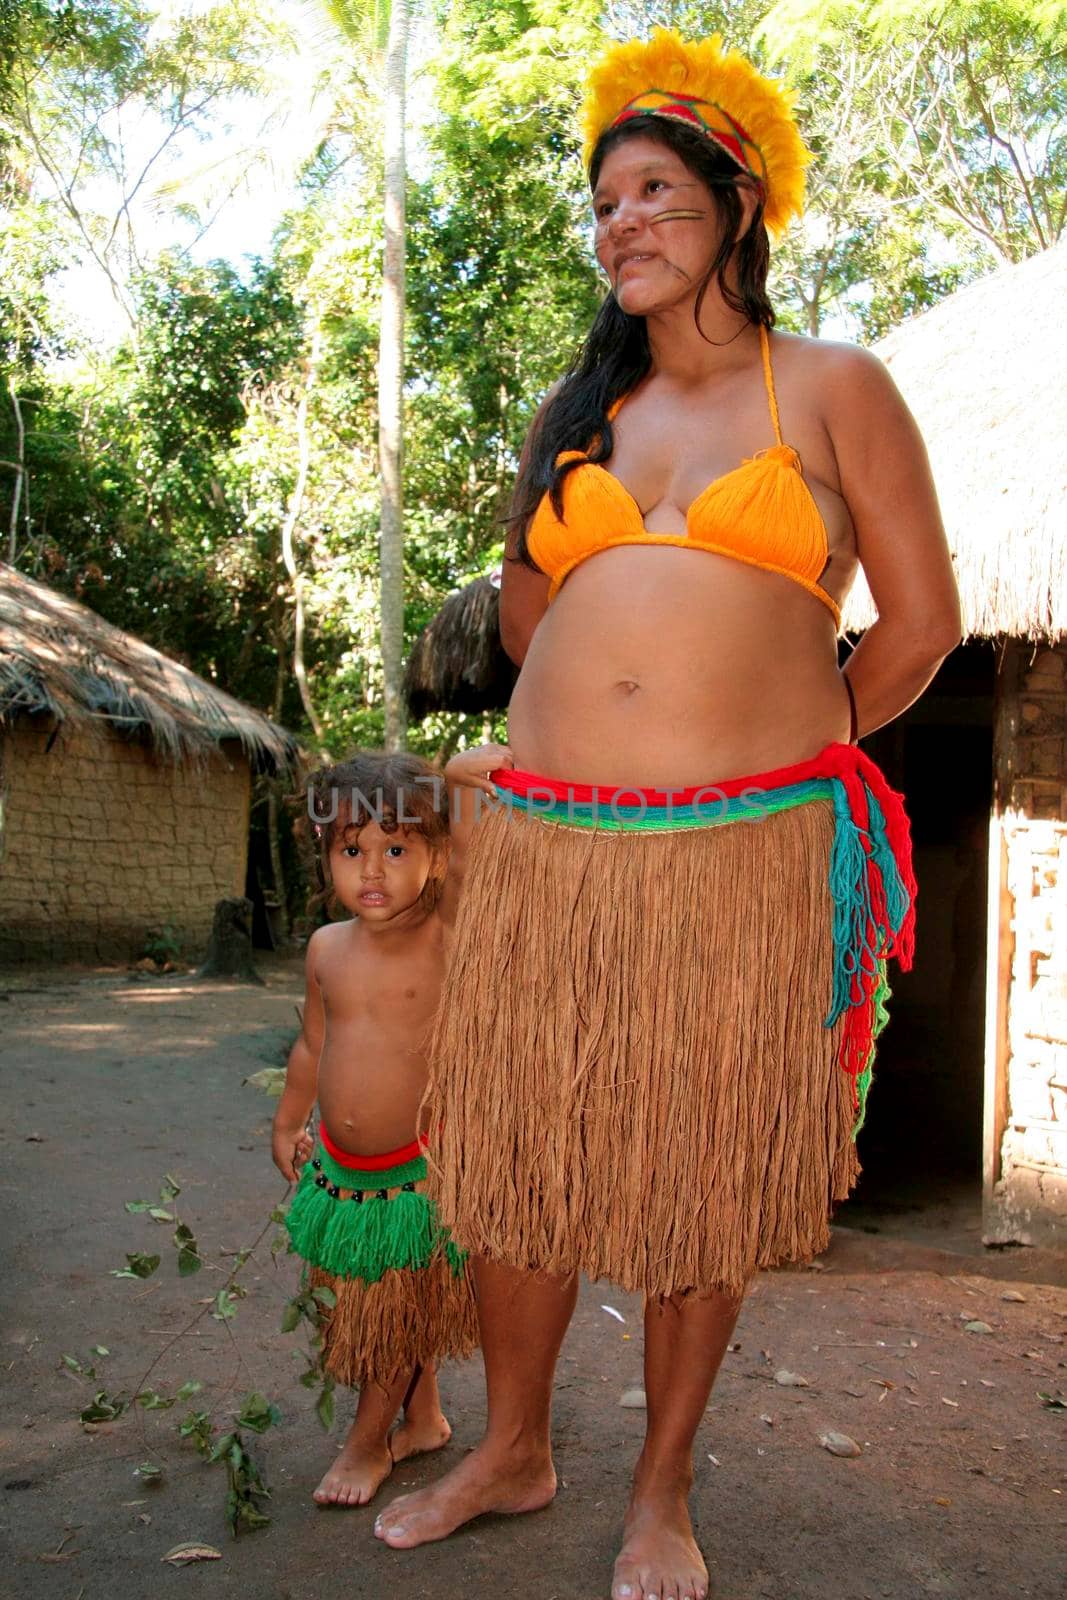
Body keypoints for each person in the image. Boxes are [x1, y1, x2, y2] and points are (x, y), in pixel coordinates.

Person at [374, 28, 961, 1600]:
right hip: (545, 848)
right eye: (602, 202)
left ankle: (660, 1490)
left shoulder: (834, 386)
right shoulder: (581, 412)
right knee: (518, 1160)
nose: (617, 224)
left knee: (691, 1169)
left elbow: (913, 627)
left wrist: (787, 746)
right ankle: (511, 1448)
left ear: (735, 205)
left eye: (652, 193)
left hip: (738, 853)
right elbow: (518, 631)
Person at [272, 750, 478, 1508]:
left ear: (437, 855)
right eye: (351, 850)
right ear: (325, 856)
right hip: (337, 1170)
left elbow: (481, 839)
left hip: (414, 1174)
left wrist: (458, 781)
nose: (373, 871)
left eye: (397, 849)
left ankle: (365, 1445)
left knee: (389, 1315)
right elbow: (313, 1045)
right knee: (351, 1309)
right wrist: (289, 1122)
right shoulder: (327, 948)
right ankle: (421, 1418)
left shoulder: (446, 935)